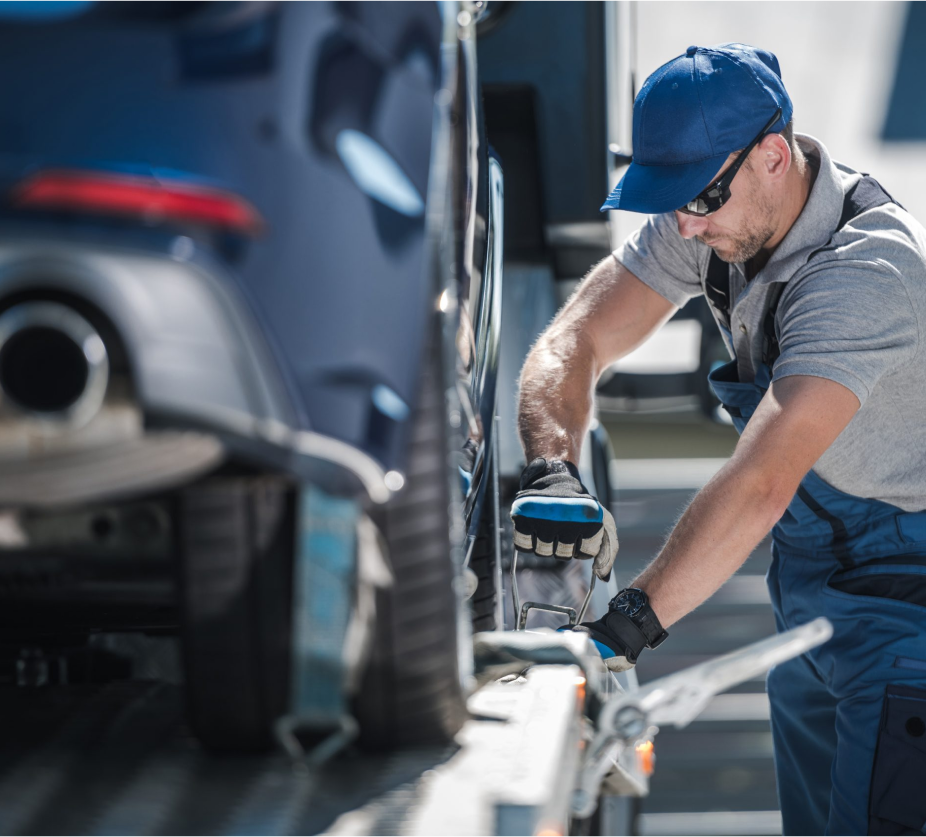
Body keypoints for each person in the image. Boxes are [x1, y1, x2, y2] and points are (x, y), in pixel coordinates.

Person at [511, 42, 926, 835]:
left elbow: (762, 483)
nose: (687, 224)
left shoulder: (867, 275)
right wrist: (553, 471)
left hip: (908, 608)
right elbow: (572, 344)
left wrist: (622, 630)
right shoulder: (710, 214)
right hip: (810, 592)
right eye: (670, 202)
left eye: (701, 198)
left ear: (774, 155)